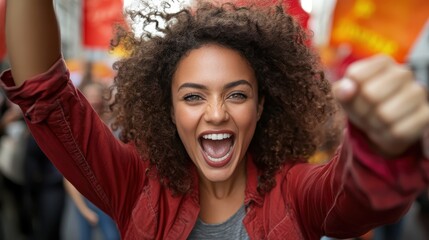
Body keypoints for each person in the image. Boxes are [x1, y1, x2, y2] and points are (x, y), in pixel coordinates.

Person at [2, 1, 429, 239]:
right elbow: (46, 94)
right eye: (193, 97)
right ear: (169, 110)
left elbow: (355, 198)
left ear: (261, 107)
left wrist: (382, 147)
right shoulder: (134, 186)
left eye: (237, 94)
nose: (217, 112)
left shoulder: (296, 192)